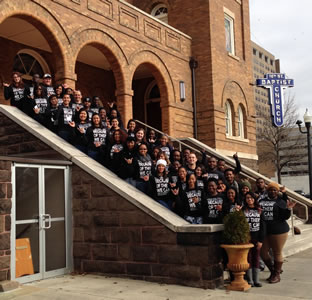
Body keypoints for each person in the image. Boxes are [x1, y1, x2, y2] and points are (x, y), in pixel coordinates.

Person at [259, 182, 296, 284]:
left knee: (277, 252)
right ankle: (273, 271)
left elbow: (285, 216)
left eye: (274, 190)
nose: (272, 191)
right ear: (267, 191)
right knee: (263, 252)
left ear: (277, 191)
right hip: (265, 230)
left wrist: (288, 209)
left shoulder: (281, 201)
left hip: (278, 230)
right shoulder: (261, 200)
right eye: (270, 189)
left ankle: (276, 275)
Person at [243, 192, 265, 287]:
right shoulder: (243, 210)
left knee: (256, 258)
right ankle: (250, 279)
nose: (249, 199)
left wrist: (261, 240)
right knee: (248, 258)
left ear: (254, 199)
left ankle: (256, 280)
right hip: (247, 238)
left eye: (251, 198)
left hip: (256, 237)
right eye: (247, 198)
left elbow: (263, 227)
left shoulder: (259, 210)